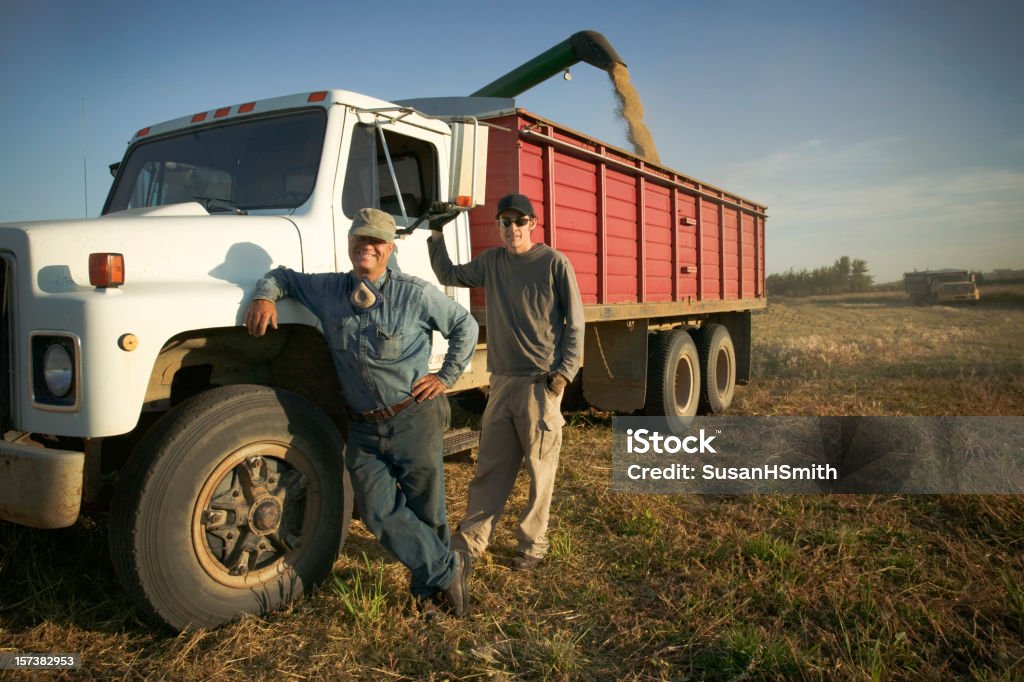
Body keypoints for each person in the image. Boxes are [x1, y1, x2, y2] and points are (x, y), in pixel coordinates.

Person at [243, 207, 478, 616]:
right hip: (364, 429)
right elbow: (282, 275)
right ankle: (448, 569)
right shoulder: (330, 290)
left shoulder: (414, 293)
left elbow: (465, 325)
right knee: (374, 510)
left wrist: (445, 376)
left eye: (375, 241)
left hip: (413, 416)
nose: (366, 246)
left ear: (389, 247)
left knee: (428, 509)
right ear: (349, 244)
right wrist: (265, 295)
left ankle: (428, 595)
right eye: (359, 239)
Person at [427, 193, 584, 570]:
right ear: (498, 226)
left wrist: (562, 376)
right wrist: (435, 233)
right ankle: (470, 543)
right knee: (490, 468)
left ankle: (532, 547)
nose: (512, 228)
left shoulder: (553, 263)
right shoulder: (492, 262)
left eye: (519, 221)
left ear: (533, 224)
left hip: (539, 384)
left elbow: (575, 324)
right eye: (505, 222)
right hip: (501, 383)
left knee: (539, 472)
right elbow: (449, 274)